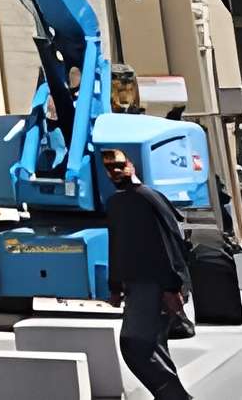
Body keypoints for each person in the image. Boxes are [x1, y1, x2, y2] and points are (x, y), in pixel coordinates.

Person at [104, 149, 192, 400]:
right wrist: (115, 286)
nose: (115, 171)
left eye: (120, 165)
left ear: (132, 164)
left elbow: (169, 243)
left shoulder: (148, 198)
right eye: (109, 167)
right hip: (138, 285)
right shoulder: (116, 203)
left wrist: (172, 287)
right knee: (151, 347)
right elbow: (116, 246)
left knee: (136, 345)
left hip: (155, 284)